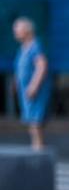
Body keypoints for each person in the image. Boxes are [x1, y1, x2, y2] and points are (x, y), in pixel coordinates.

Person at [12, 17, 50, 150]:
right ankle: (36, 146)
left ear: (27, 31)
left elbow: (42, 66)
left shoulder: (35, 46)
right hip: (25, 89)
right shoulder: (23, 48)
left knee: (36, 120)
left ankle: (38, 148)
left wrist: (34, 85)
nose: (15, 33)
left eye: (18, 30)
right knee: (31, 119)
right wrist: (17, 82)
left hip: (35, 90)